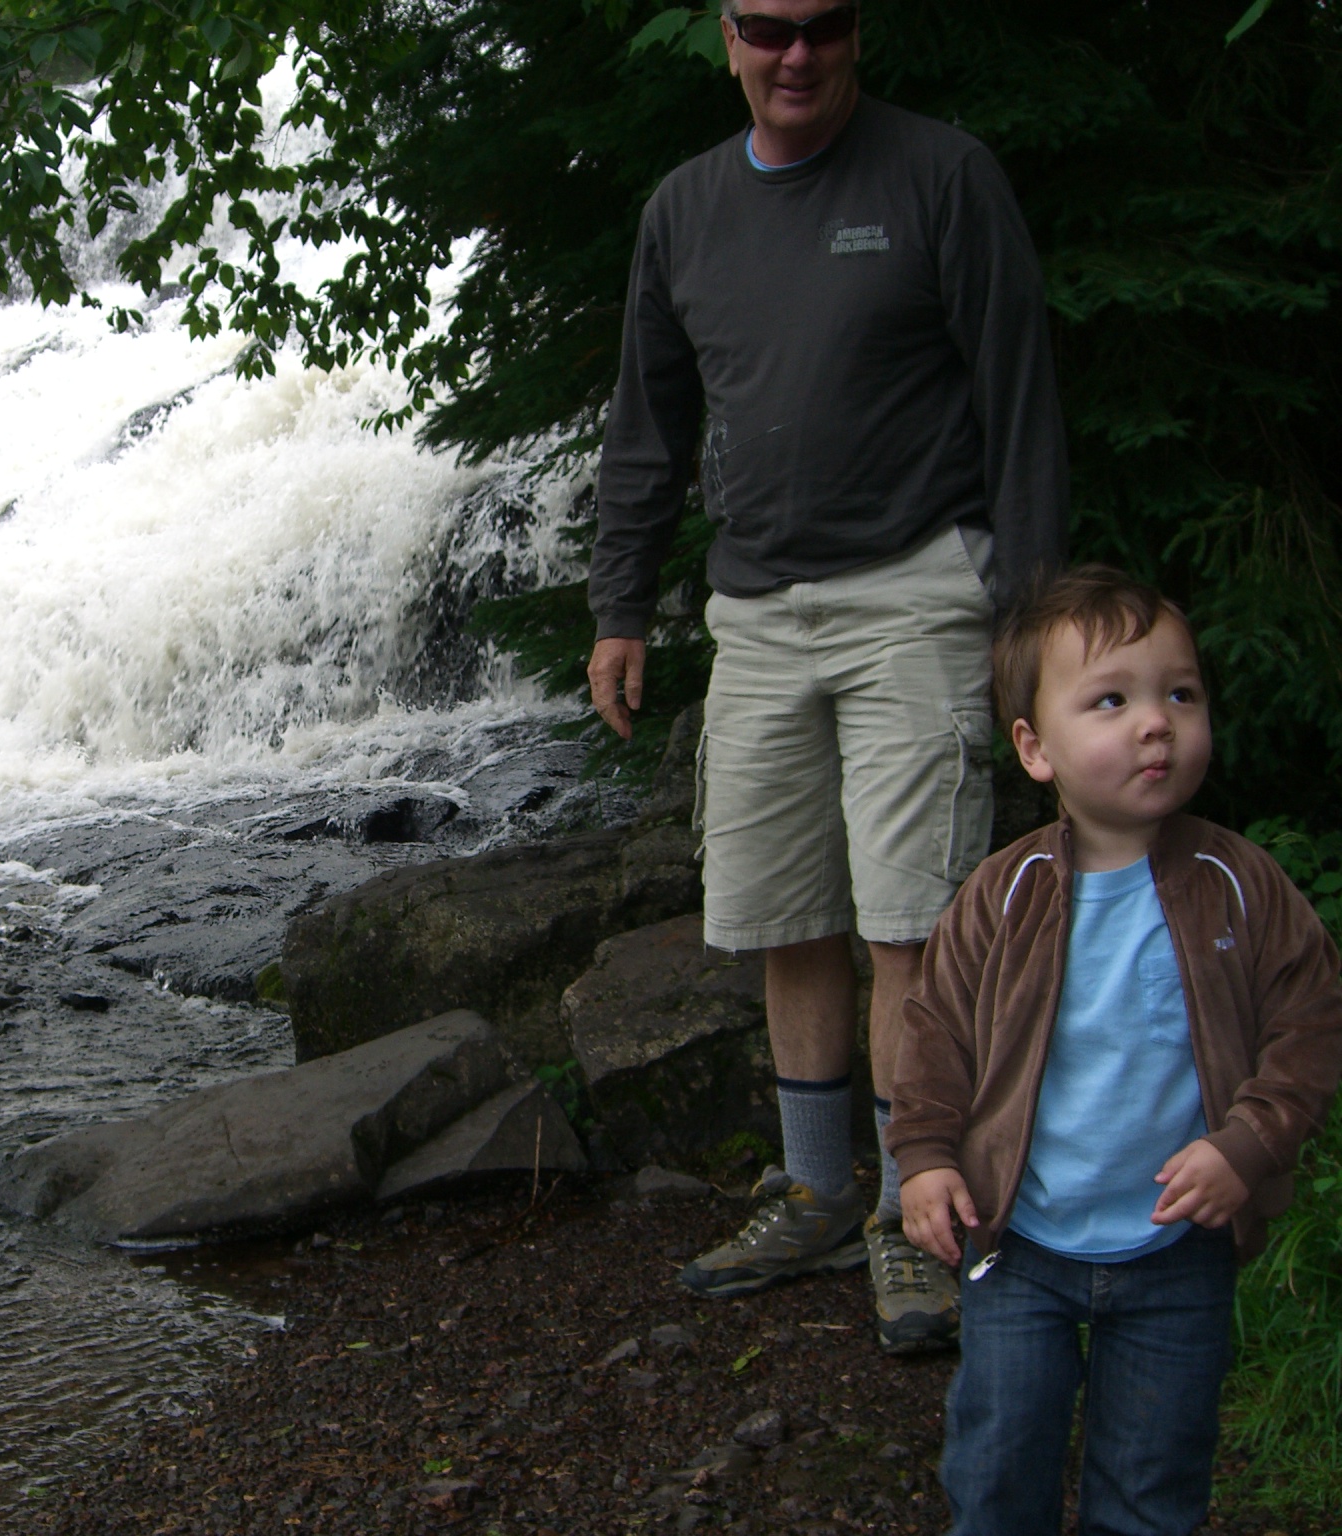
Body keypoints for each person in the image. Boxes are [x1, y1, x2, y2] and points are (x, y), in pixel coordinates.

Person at [585, 0, 1067, 1351]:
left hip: (917, 588)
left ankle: (913, 1215)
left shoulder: (941, 176)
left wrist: (1032, 625)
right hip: (753, 610)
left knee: (908, 922)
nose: (796, 54)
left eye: (825, 26)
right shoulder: (684, 210)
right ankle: (814, 1191)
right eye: (769, 27)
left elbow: (1020, 398)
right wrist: (621, 605)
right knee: (784, 913)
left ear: (859, 35)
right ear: (726, 38)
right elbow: (647, 423)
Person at [889, 567, 1342, 1535]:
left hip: (1177, 1248)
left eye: (1180, 693)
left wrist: (1248, 1145)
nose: (1155, 724)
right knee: (998, 1466)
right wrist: (924, 1158)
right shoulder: (1002, 895)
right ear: (1034, 747)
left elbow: (1311, 1019)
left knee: (1149, 1486)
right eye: (1111, 701)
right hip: (1020, 1241)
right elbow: (933, 1033)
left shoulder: (1237, 883)